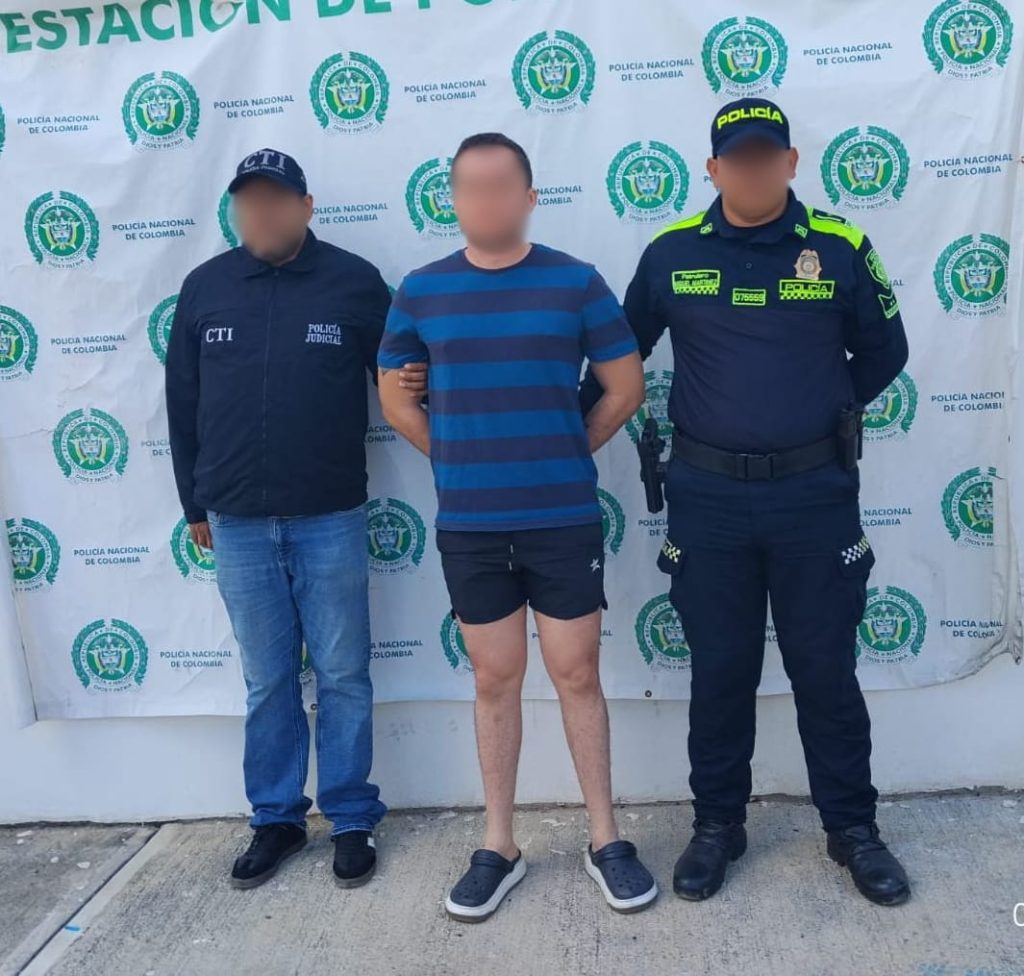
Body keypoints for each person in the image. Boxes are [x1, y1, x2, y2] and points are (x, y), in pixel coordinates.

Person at [581, 99, 911, 907]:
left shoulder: (840, 245)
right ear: (713, 169)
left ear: (791, 163)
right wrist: (559, 430)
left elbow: (885, 351)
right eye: (738, 158)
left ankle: (853, 829)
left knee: (825, 670)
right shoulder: (671, 254)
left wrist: (817, 414)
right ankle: (717, 827)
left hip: (814, 497)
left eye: (768, 156)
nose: (753, 169)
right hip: (709, 500)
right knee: (721, 671)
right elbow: (621, 356)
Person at [377, 132, 658, 921]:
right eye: (470, 187)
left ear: (530, 197)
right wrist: (456, 457)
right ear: (453, 200)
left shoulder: (576, 282)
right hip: (471, 526)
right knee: (493, 680)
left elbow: (625, 386)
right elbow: (394, 397)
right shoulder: (421, 291)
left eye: (502, 186)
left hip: (562, 520)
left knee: (577, 675)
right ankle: (499, 846)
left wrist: (566, 450)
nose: (486, 200)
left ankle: (605, 839)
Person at [165, 147, 426, 890]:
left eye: (276, 200)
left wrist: (420, 379)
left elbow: (398, 377)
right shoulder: (205, 286)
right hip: (235, 521)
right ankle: (276, 817)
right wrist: (192, 503)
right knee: (267, 679)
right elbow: (182, 401)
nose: (262, 213)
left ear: (306, 207)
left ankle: (350, 816)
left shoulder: (354, 281)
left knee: (343, 673)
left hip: (330, 515)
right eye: (248, 202)